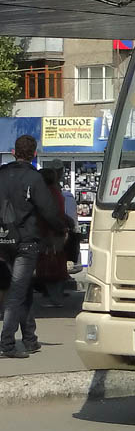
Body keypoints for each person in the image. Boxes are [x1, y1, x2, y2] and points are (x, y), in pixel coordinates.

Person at [0, 136, 66, 358]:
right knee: (17, 292)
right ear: (35, 154)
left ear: (12, 151)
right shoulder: (34, 178)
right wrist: (61, 228)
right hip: (26, 242)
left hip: (4, 240)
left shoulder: (1, 175)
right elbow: (48, 210)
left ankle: (30, 339)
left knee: (23, 287)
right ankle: (7, 343)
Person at [37, 168, 73, 308]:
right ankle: (56, 296)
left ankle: (55, 298)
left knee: (50, 263)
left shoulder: (46, 193)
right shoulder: (56, 192)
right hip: (56, 230)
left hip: (50, 231)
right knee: (56, 261)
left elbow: (48, 214)